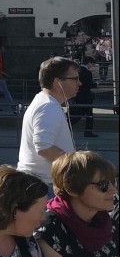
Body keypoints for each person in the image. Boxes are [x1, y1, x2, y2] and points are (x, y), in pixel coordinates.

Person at [36, 151, 118, 257]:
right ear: (71, 188)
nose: (114, 190)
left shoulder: (105, 222)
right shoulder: (49, 229)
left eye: (113, 182)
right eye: (103, 185)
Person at [18, 56, 80, 186]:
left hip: (40, 183)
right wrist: (77, 164)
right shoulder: (48, 106)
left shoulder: (45, 102)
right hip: (45, 185)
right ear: (57, 82)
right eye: (75, 79)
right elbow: (44, 147)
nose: (79, 83)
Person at [69, 57, 99, 138]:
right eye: (92, 64)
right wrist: (96, 84)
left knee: (77, 114)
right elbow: (88, 84)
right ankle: (88, 131)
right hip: (86, 96)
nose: (92, 66)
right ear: (89, 63)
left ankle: (66, 127)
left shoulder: (77, 70)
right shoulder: (87, 72)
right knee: (88, 114)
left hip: (77, 94)